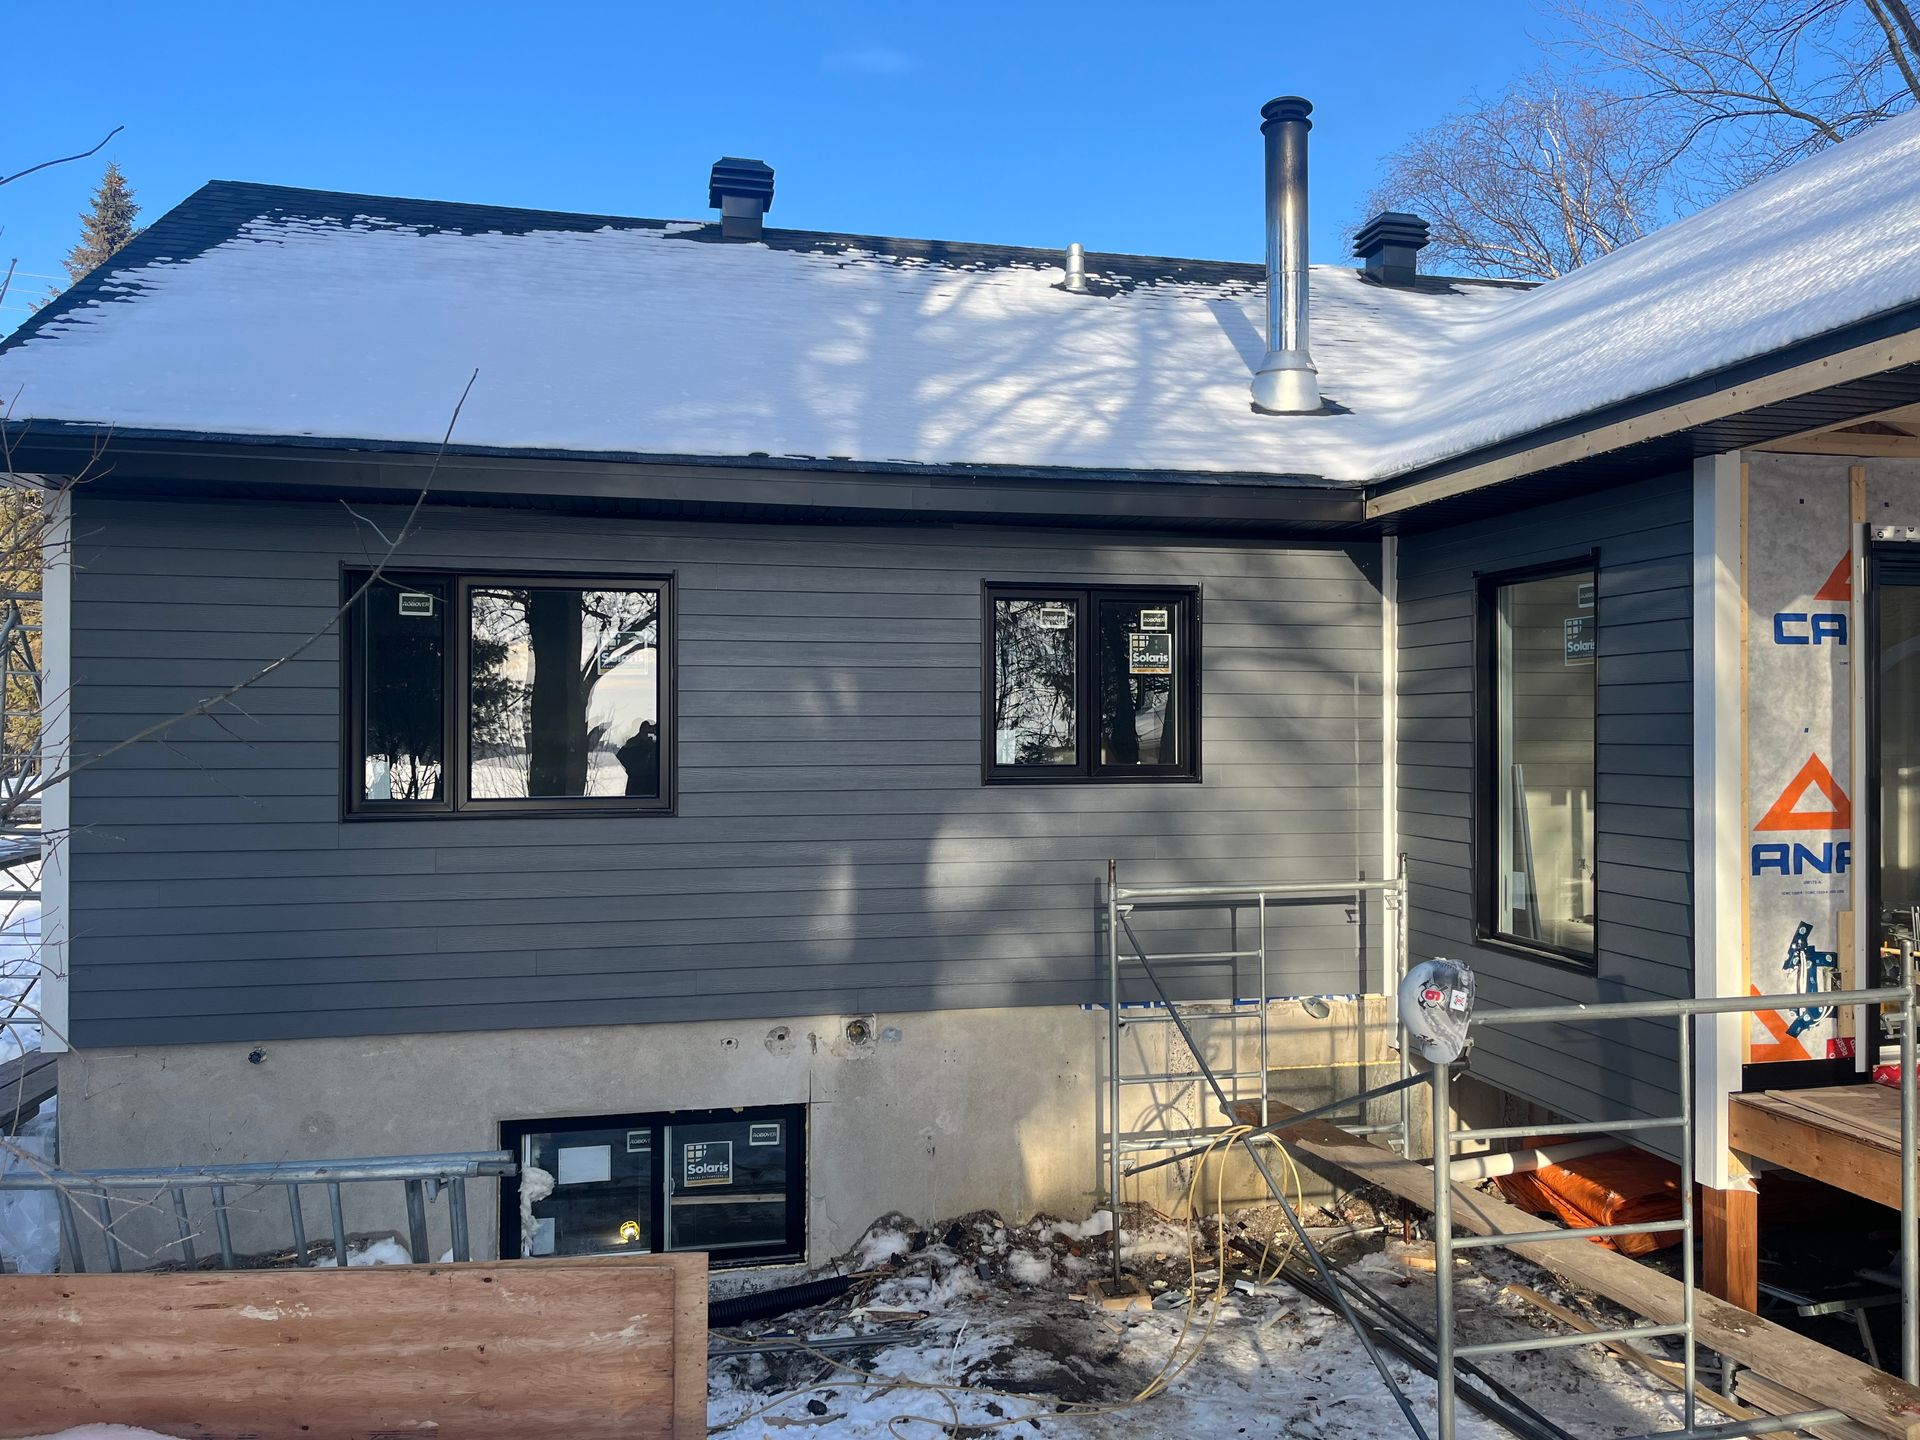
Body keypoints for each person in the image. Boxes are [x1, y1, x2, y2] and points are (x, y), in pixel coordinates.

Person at [615, 721, 659, 797]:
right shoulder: (633, 746)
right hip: (637, 789)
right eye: (646, 730)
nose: (650, 733)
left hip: (653, 792)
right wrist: (642, 743)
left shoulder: (657, 747)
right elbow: (627, 762)